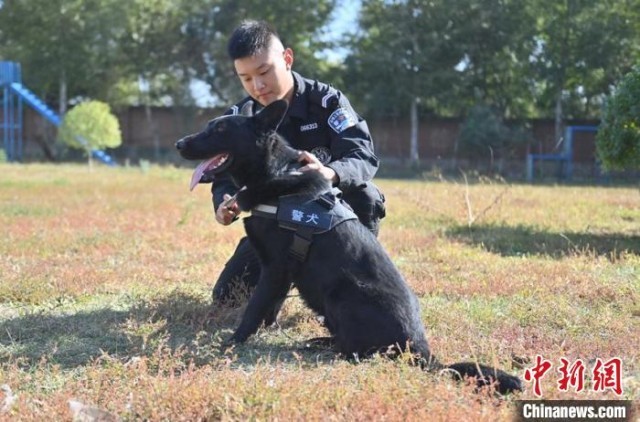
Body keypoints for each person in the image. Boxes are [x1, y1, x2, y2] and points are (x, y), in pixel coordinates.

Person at [210, 20, 385, 303]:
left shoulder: (327, 102)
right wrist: (224, 201)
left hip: (330, 219)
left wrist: (329, 173)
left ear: (287, 58)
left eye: (265, 71)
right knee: (227, 298)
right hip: (277, 225)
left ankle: (353, 280)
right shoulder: (241, 119)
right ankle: (286, 275)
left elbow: (362, 155)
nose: (258, 85)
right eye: (246, 78)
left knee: (366, 196)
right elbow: (221, 175)